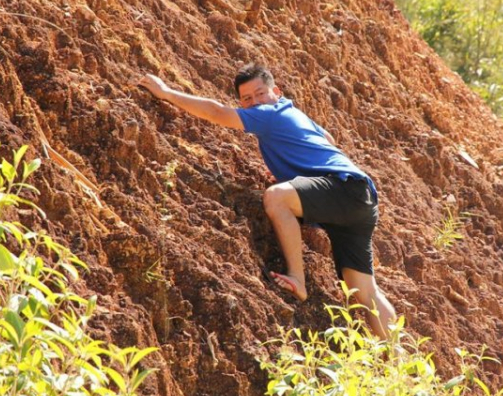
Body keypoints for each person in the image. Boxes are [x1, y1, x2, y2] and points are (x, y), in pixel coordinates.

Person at [138, 64, 397, 338]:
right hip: (359, 196)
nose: (254, 102)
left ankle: (298, 278)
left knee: (277, 197)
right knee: (364, 291)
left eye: (260, 93)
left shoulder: (270, 114)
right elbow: (328, 140)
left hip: (343, 188)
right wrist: (296, 170)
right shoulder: (291, 111)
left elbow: (216, 112)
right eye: (247, 99)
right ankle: (398, 358)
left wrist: (165, 92)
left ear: (276, 91)